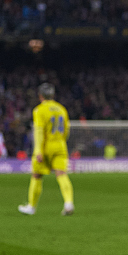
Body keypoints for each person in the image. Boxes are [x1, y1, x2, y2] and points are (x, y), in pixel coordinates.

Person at [18, 83, 74, 216]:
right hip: (60, 145)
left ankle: (31, 207)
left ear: (40, 96)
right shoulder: (62, 109)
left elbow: (38, 131)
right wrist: (61, 141)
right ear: (53, 95)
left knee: (37, 175)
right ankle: (69, 203)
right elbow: (67, 130)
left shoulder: (39, 110)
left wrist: (38, 150)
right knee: (61, 174)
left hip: (45, 145)